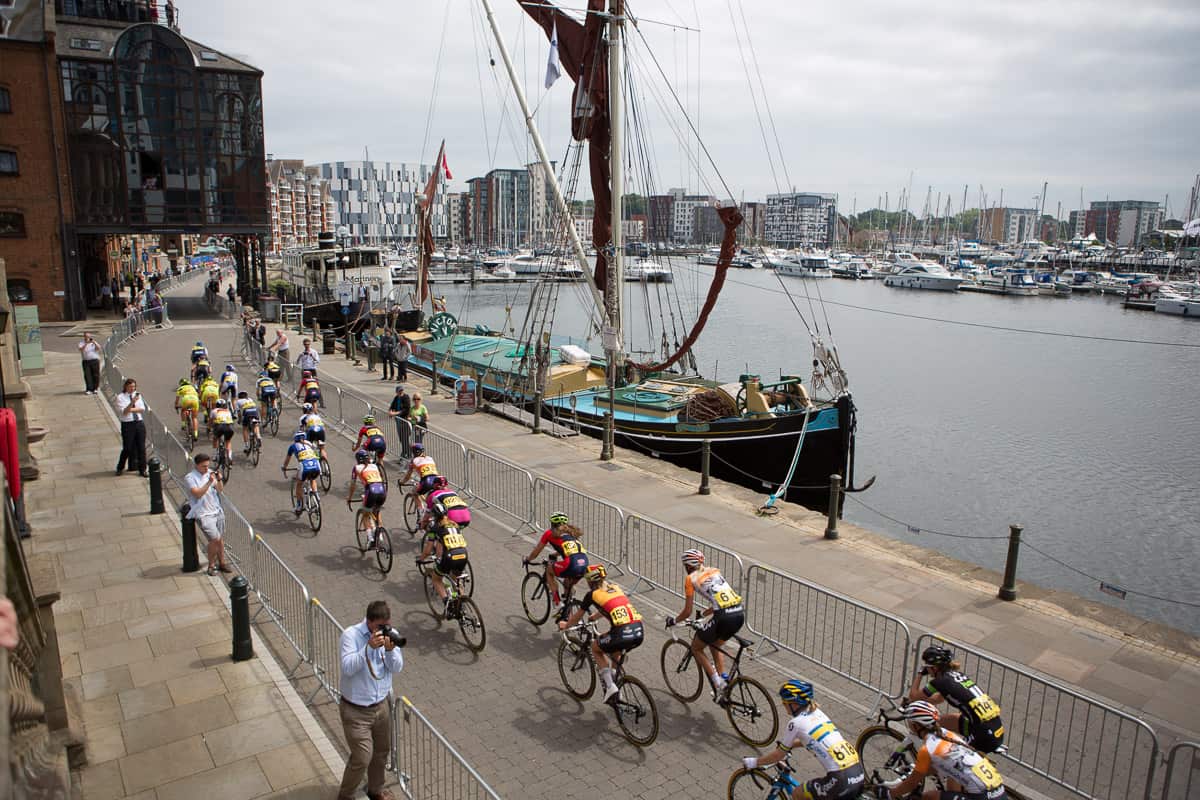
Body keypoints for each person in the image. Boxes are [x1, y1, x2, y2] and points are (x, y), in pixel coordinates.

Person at [740, 680, 865, 800]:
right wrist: (792, 745)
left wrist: (754, 762)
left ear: (794, 703)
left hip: (840, 779)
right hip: (857, 772)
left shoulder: (795, 723)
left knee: (797, 794)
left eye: (785, 703)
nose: (784, 706)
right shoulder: (818, 713)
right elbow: (815, 741)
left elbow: (778, 755)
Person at [338, 600, 403, 800]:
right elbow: (347, 667)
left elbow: (397, 667)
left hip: (381, 706)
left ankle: (376, 790)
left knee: (381, 751)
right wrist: (368, 648)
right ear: (369, 622)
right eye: (380, 626)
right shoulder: (351, 635)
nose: (384, 630)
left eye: (387, 625)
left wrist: (390, 650)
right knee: (362, 757)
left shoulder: (390, 634)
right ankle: (345, 795)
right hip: (356, 710)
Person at [882, 701, 1008, 800]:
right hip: (999, 790)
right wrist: (919, 771)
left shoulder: (927, 749)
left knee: (928, 797)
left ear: (916, 726)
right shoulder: (947, 734)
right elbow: (938, 766)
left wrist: (889, 794)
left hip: (983, 796)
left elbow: (911, 784)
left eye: (909, 722)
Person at [666, 548, 745, 700]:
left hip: (724, 617)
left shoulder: (690, 579)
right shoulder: (715, 571)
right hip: (739, 613)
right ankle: (723, 680)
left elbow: (687, 611)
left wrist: (673, 621)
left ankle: (717, 683)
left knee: (696, 647)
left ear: (688, 566)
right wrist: (703, 615)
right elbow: (722, 599)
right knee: (715, 644)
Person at [558, 564, 644, 704]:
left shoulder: (591, 595)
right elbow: (612, 605)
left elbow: (577, 616)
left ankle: (610, 687)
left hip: (621, 633)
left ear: (590, 581)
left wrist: (566, 625)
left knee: (595, 648)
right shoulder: (615, 587)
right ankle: (616, 686)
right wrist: (594, 617)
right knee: (614, 649)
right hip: (638, 630)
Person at [908, 645, 1005, 755]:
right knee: (940, 722)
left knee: (949, 759)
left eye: (927, 666)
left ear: (934, 668)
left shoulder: (939, 682)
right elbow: (938, 699)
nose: (927, 669)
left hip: (984, 734)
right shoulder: (956, 676)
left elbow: (914, 696)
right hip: (992, 726)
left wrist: (920, 673)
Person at [523, 512, 588, 614]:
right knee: (567, 584)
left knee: (549, 570)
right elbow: (570, 550)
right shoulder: (571, 533)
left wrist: (528, 559)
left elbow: (536, 552)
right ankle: (567, 612)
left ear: (552, 525)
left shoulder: (549, 534)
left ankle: (557, 602)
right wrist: (554, 555)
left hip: (571, 564)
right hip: (584, 564)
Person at [419, 504, 469, 619]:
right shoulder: (455, 524)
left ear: (434, 516)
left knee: (436, 579)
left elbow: (428, 550)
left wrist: (421, 559)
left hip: (450, 556)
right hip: (463, 554)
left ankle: (448, 602)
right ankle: (461, 605)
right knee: (456, 580)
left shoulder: (435, 528)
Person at [185, 453, 230, 575]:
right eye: (203, 466)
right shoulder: (190, 478)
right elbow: (197, 494)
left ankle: (222, 563)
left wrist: (219, 480)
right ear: (196, 465)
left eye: (207, 466)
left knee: (219, 539)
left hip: (216, 511)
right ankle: (211, 565)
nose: (206, 469)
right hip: (204, 514)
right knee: (215, 539)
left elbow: (220, 489)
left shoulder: (210, 473)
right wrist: (209, 482)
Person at [347, 449, 388, 548]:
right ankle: (380, 536)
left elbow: (353, 485)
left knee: (365, 514)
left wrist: (349, 498)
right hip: (382, 490)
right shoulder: (374, 466)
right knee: (377, 512)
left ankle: (370, 539)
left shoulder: (356, 468)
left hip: (371, 491)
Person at [283, 431, 322, 515]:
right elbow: (316, 451)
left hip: (304, 465)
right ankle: (316, 496)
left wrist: (284, 468)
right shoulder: (309, 443)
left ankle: (299, 505)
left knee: (299, 484)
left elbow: (287, 460)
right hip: (316, 464)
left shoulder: (293, 446)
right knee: (312, 479)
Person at [115, 378, 148, 477]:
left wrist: (130, 408)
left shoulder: (137, 395)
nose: (132, 389)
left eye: (134, 386)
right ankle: (120, 467)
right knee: (127, 448)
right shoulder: (120, 397)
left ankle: (143, 469)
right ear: (126, 386)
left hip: (138, 422)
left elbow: (142, 409)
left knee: (141, 448)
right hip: (128, 424)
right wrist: (132, 403)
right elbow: (124, 412)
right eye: (130, 387)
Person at [386, 385, 412, 460]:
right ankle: (405, 453)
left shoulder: (406, 397)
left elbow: (406, 409)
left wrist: (395, 413)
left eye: (401, 391)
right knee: (401, 438)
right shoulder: (396, 398)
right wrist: (390, 411)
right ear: (396, 392)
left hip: (404, 420)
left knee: (405, 438)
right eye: (399, 391)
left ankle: (406, 454)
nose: (400, 392)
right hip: (398, 421)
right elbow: (392, 406)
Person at [209, 399, 235, 464]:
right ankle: (229, 456)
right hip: (229, 427)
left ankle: (215, 455)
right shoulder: (228, 411)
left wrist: (209, 428)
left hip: (219, 427)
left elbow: (210, 421)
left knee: (215, 438)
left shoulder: (214, 411)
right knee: (228, 441)